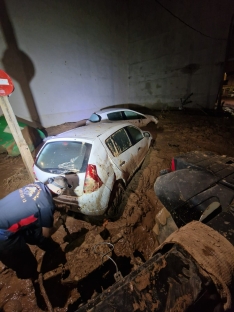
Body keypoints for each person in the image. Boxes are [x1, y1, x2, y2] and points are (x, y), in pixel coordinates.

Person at [0, 176, 69, 279]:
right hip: (3, 235)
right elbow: (46, 234)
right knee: (27, 264)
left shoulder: (37, 185)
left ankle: (51, 250)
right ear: (59, 190)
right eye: (64, 190)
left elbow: (32, 201)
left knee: (36, 230)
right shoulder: (47, 206)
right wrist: (60, 221)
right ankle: (33, 281)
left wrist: (56, 207)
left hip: (5, 217)